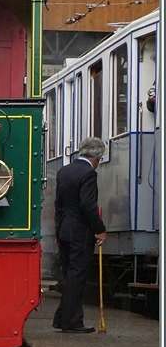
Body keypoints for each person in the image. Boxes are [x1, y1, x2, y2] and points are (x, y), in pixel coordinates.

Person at [53, 136, 107, 333]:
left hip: (64, 230)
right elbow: (88, 205)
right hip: (80, 233)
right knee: (77, 277)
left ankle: (62, 318)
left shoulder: (64, 171)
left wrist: (57, 232)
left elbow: (58, 205)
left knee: (69, 275)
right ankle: (71, 322)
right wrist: (99, 229)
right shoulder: (89, 174)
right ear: (98, 157)